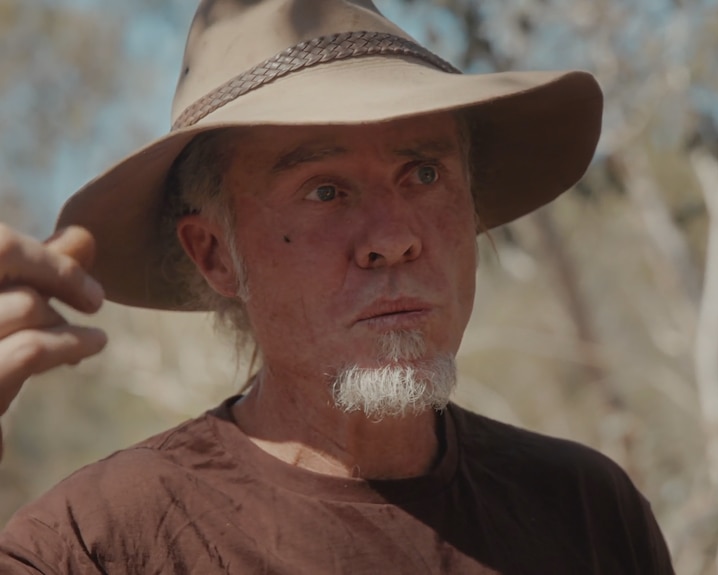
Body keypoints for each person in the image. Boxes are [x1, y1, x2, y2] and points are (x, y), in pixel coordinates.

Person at [0, 0, 675, 573]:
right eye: (325, 190)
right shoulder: (93, 545)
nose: (392, 236)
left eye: (424, 173)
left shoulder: (586, 512)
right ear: (214, 254)